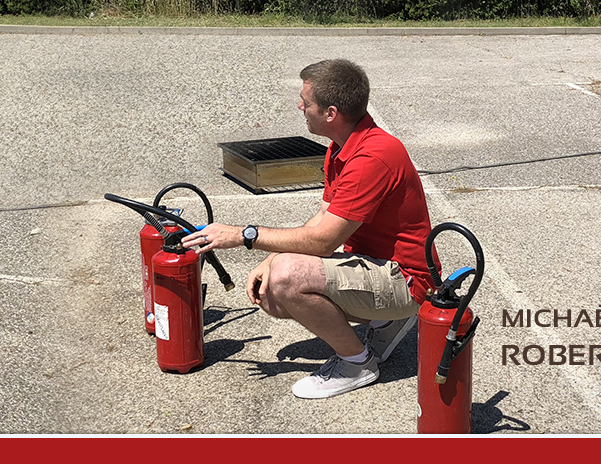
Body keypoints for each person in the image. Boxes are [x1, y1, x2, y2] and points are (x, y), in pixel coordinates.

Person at [182, 58, 433, 399]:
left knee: (287, 277)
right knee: (273, 291)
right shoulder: (341, 147)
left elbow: (324, 241)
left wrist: (244, 235)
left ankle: (357, 362)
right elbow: (320, 223)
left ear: (331, 113)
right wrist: (272, 258)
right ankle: (385, 321)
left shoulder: (371, 157)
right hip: (374, 265)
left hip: (405, 280)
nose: (300, 106)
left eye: (307, 102)